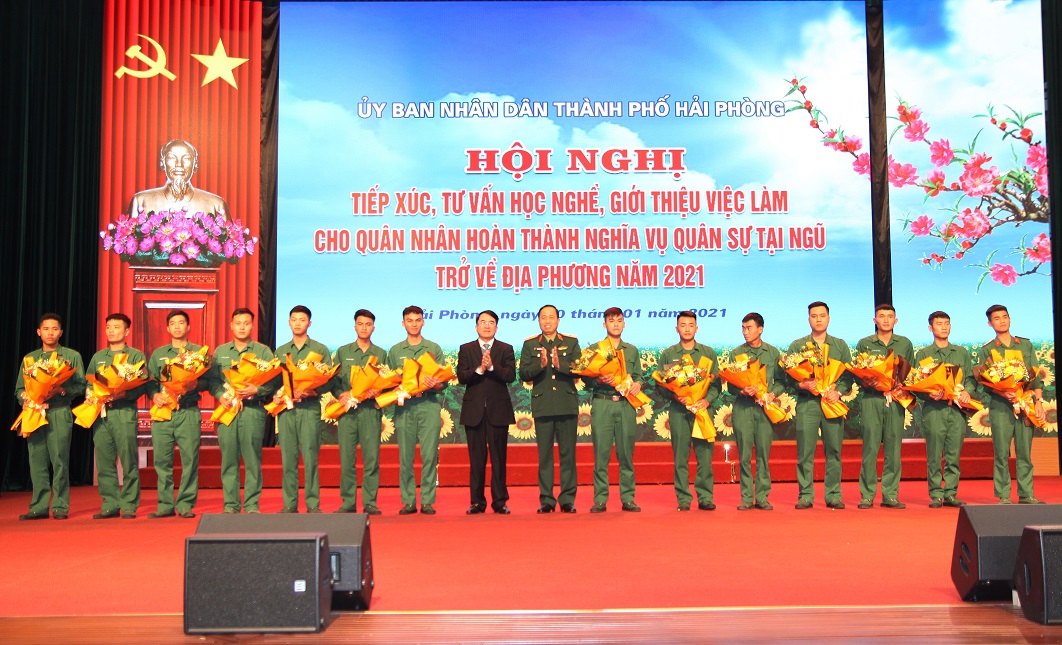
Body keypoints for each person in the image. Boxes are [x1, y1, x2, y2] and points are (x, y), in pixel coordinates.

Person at [15, 313, 86, 520]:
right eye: (46, 329)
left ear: (61, 332)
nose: (50, 333)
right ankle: (38, 506)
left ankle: (60, 506)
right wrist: (25, 398)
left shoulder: (71, 356)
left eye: (54, 329)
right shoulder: (30, 359)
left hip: (59, 411)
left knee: (60, 459)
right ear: (39, 332)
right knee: (36, 460)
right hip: (34, 412)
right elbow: (19, 388)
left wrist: (62, 390)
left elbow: (81, 385)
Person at [208, 307, 276, 514]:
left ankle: (252, 504)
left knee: (252, 459)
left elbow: (274, 381)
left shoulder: (263, 351)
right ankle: (230, 504)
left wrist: (257, 390)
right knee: (228, 459)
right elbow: (212, 381)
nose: (242, 327)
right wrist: (220, 395)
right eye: (238, 323)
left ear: (253, 326)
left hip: (252, 411)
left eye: (246, 323)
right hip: (228, 410)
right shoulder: (221, 351)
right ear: (231, 326)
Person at [787, 301, 853, 509]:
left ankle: (833, 495)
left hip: (832, 403)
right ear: (808, 319)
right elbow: (787, 378)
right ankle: (805, 495)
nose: (818, 319)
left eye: (822, 316)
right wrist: (802, 384)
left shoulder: (839, 345)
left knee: (834, 450)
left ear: (828, 318)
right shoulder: (798, 346)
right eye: (814, 316)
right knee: (805, 451)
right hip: (808, 404)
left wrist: (838, 391)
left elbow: (848, 376)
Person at [980, 304, 1046, 504]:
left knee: (1024, 451)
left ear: (1010, 319)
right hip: (1001, 407)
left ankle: (1026, 494)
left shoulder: (1024, 345)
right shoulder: (988, 349)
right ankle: (1003, 495)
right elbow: (984, 383)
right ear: (990, 324)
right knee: (1001, 452)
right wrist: (1003, 392)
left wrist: (1039, 402)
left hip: (1026, 404)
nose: (1002, 321)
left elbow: (1035, 376)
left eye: (1005, 317)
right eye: (997, 318)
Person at [519, 304, 581, 514]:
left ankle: (567, 499)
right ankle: (546, 499)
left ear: (558, 320)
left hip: (566, 404)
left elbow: (580, 369)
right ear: (538, 321)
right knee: (544, 455)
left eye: (551, 317)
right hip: (543, 405)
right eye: (543, 317)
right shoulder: (530, 344)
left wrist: (559, 364)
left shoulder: (571, 342)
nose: (547, 321)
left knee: (568, 454)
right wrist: (541, 365)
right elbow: (523, 374)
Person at [657, 310, 721, 511]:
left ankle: (705, 497)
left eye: (690, 325)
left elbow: (716, 385)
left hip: (702, 411)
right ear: (677, 328)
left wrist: (707, 401)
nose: (687, 329)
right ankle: (683, 498)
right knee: (680, 457)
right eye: (683, 325)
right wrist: (675, 396)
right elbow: (661, 386)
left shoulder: (708, 353)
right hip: (679, 411)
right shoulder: (668, 354)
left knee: (705, 457)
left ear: (697, 328)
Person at [88, 313, 149, 520]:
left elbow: (143, 384)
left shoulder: (136, 356)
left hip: (124, 411)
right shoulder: (98, 357)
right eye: (108, 327)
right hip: (101, 413)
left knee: (128, 460)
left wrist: (125, 394)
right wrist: (91, 393)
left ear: (127, 331)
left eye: (116, 327)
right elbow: (89, 382)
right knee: (104, 461)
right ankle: (110, 504)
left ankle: (129, 504)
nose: (111, 331)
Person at [914, 311, 978, 508]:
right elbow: (916, 384)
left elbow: (970, 379)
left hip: (956, 410)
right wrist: (929, 394)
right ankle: (935, 494)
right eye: (939, 323)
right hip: (934, 409)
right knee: (934, 453)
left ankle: (951, 493)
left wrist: (967, 392)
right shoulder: (924, 354)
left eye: (947, 323)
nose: (943, 327)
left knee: (953, 453)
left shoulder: (961, 353)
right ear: (930, 328)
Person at [387, 306, 446, 515]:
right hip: (405, 407)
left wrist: (436, 383)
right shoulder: (395, 351)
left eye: (417, 320)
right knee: (406, 456)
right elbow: (388, 381)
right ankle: (409, 501)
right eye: (409, 320)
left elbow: (443, 382)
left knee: (429, 455)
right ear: (403, 323)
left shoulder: (433, 348)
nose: (414, 324)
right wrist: (395, 387)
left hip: (428, 405)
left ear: (423, 322)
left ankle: (428, 500)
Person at [854, 304, 914, 510]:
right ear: (875, 320)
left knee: (894, 449)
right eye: (882, 316)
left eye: (890, 316)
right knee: (870, 448)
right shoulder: (865, 343)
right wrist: (867, 381)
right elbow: (858, 372)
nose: (886, 320)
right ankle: (867, 495)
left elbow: (910, 372)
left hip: (895, 400)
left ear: (896, 320)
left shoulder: (904, 343)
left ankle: (890, 494)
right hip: (872, 399)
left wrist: (901, 385)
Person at [272, 305, 332, 513]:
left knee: (310, 457)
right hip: (286, 410)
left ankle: (313, 504)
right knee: (288, 458)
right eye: (294, 319)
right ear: (289, 322)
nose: (298, 323)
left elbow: (329, 380)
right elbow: (273, 380)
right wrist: (276, 394)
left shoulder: (319, 350)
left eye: (302, 320)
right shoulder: (280, 351)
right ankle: (289, 504)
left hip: (309, 409)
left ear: (309, 323)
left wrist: (312, 391)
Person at [457, 310, 517, 515]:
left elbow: (510, 376)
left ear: (496, 328)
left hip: (498, 410)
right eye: (483, 322)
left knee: (499, 458)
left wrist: (492, 367)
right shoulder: (466, 349)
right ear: (476, 327)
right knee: (476, 459)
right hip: (473, 411)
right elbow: (462, 377)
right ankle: (477, 502)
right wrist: (480, 370)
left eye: (491, 322)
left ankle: (500, 501)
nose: (487, 325)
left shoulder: (505, 349)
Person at [147, 310, 205, 519]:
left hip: (188, 411)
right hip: (163, 412)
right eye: (173, 323)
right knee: (162, 461)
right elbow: (150, 381)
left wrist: (196, 384)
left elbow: (209, 380)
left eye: (181, 323)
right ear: (167, 328)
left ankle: (185, 504)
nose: (177, 327)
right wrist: (154, 395)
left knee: (190, 459)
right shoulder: (159, 354)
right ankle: (165, 504)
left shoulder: (198, 353)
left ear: (188, 327)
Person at [329, 309, 387, 515]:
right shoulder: (343, 352)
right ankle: (348, 502)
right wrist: (340, 394)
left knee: (371, 458)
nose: (364, 328)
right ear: (355, 327)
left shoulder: (381, 353)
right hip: (347, 412)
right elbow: (333, 380)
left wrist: (378, 391)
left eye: (368, 324)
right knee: (347, 459)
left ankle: (370, 502)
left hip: (370, 411)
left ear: (373, 328)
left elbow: (387, 381)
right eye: (360, 324)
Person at [587, 307, 644, 513]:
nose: (616, 324)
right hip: (602, 402)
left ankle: (628, 498)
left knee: (626, 453)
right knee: (601, 454)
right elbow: (586, 380)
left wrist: (637, 384)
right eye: (611, 321)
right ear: (604, 324)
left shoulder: (632, 350)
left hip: (625, 403)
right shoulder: (596, 349)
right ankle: (600, 499)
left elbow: (639, 376)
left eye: (619, 320)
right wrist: (598, 380)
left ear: (624, 324)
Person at [730, 312, 782, 511]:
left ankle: (762, 496)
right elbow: (731, 385)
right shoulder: (736, 353)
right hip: (743, 408)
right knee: (744, 455)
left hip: (764, 409)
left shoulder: (772, 353)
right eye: (743, 328)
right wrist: (742, 390)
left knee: (763, 454)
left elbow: (782, 381)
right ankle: (746, 497)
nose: (745, 332)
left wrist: (772, 393)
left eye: (749, 328)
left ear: (760, 329)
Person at [127, 139, 229, 219]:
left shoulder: (216, 205)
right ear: (162, 162)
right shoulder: (141, 201)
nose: (179, 164)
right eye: (172, 158)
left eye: (186, 158)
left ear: (195, 164)